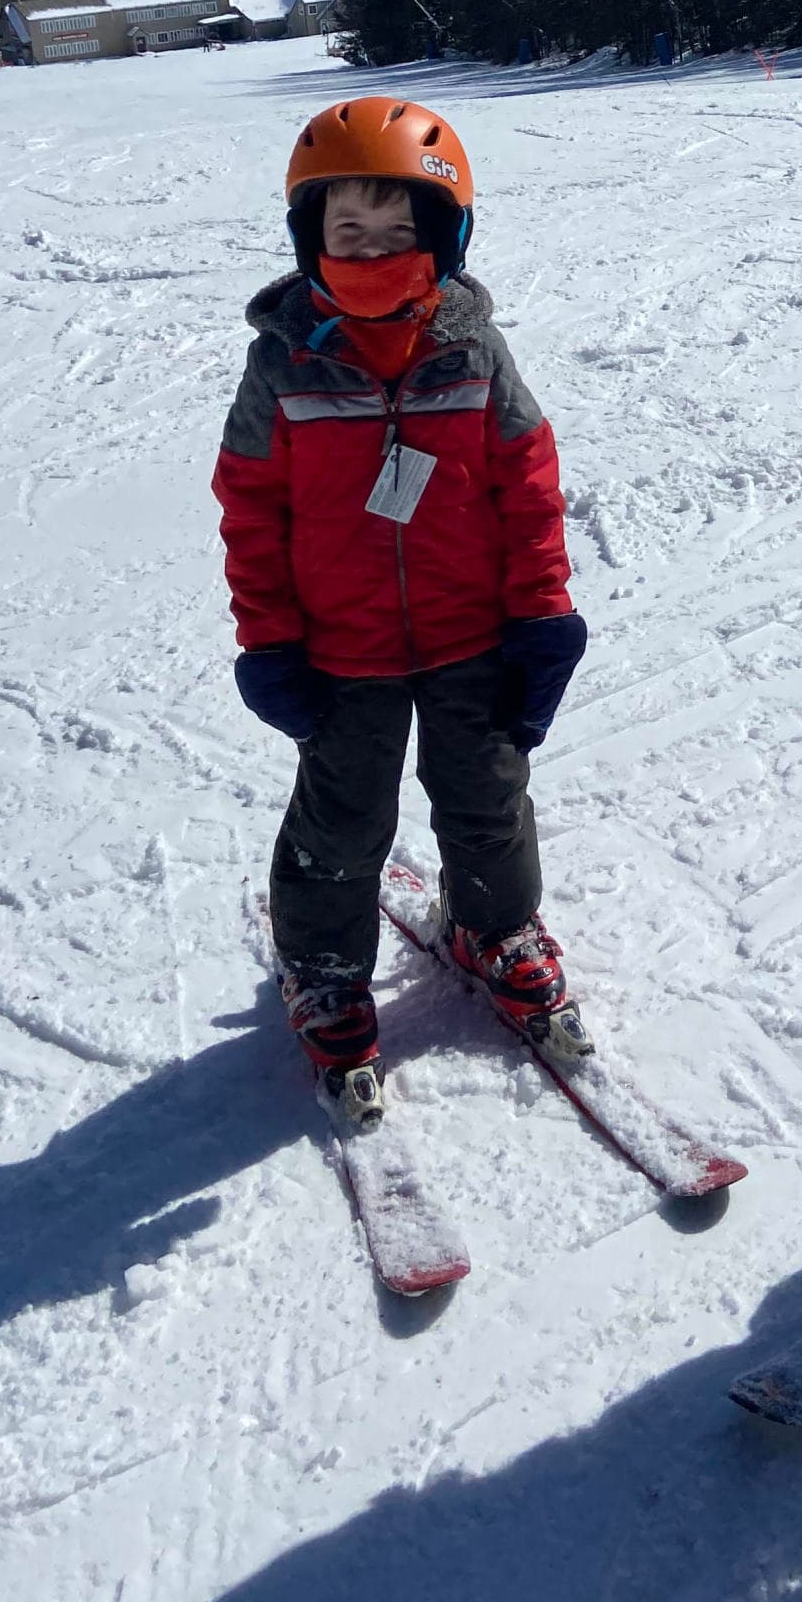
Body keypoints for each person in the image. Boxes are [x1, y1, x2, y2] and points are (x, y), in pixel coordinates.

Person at [213, 96, 589, 1104]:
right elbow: (250, 506)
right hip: (342, 654)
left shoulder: (472, 350)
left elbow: (527, 479)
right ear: (308, 239)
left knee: (487, 803)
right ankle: (327, 971)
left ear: (447, 237)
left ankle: (494, 927)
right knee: (340, 823)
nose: (373, 251)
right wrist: (269, 640)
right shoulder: (284, 362)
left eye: (399, 231)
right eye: (347, 231)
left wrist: (543, 611)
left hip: (473, 635)